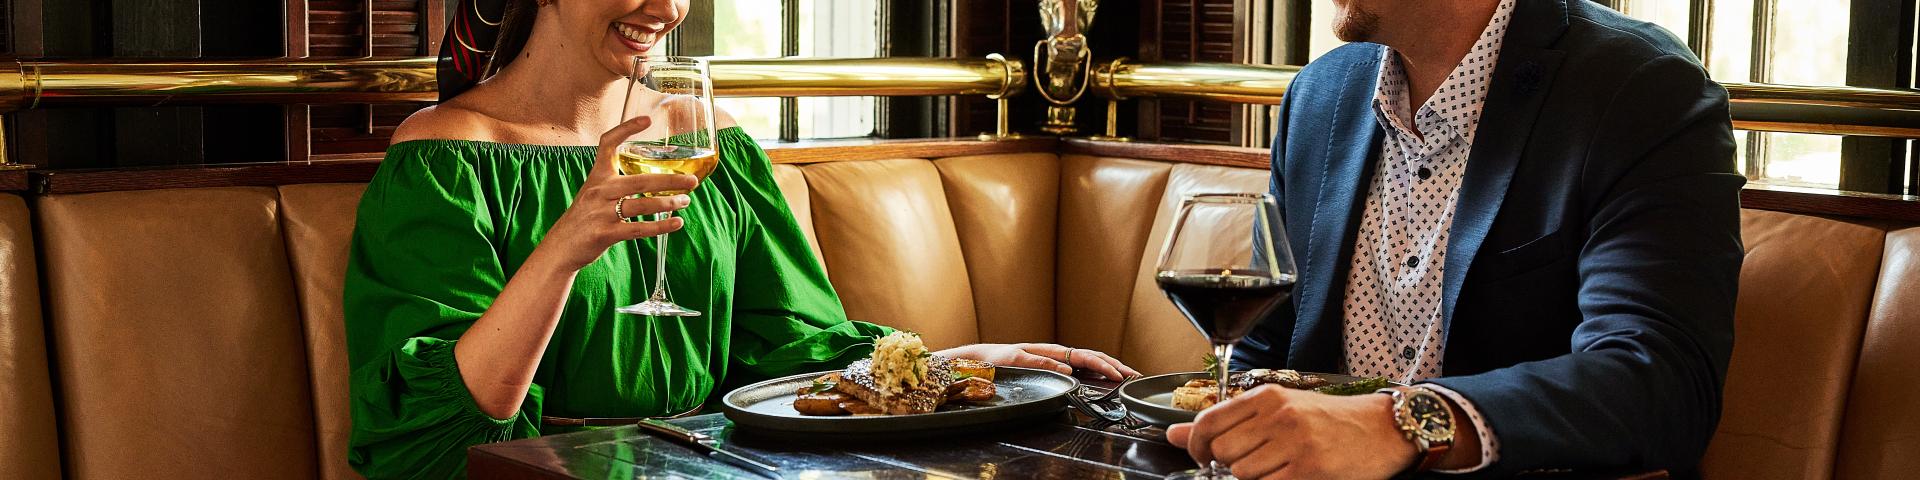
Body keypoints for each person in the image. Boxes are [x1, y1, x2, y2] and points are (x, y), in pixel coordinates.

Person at [343, 0, 1139, 477]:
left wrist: (960, 363)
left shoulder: (709, 139)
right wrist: (563, 249)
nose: (664, 5)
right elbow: (438, 438)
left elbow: (795, 358)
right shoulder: (447, 157)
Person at [1169, 0, 1743, 478]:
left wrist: (1401, 422)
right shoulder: (1320, 93)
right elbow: (1263, 350)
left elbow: (1662, 381)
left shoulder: (1642, 88)